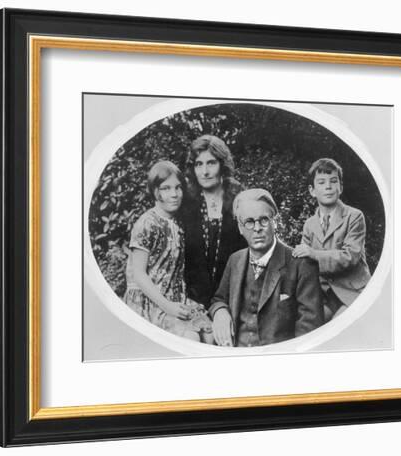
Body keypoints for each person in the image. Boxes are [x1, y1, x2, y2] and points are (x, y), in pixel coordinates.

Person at [210, 189, 324, 347]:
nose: (257, 228)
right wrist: (220, 312)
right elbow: (219, 299)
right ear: (240, 228)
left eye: (263, 220)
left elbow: (309, 329)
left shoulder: (301, 264)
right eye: (249, 222)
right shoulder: (235, 260)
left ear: (275, 222)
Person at [124, 161, 213, 343]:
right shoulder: (147, 223)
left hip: (175, 298)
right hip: (151, 300)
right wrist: (167, 306)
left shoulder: (179, 222)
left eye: (178, 188)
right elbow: (139, 275)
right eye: (166, 188)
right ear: (155, 192)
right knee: (191, 338)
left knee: (210, 332)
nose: (174, 194)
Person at [293, 158, 371, 321]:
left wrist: (313, 254)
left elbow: (349, 257)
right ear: (312, 190)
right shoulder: (309, 224)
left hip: (352, 292)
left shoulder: (354, 216)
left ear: (340, 187)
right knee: (305, 324)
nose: (328, 186)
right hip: (325, 295)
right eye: (321, 182)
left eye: (333, 181)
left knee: (337, 326)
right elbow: (305, 265)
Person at [181, 135, 247, 310]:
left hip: (234, 295)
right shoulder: (186, 204)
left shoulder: (239, 200)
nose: (205, 172)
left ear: (222, 165)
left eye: (211, 163)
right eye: (198, 164)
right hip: (193, 299)